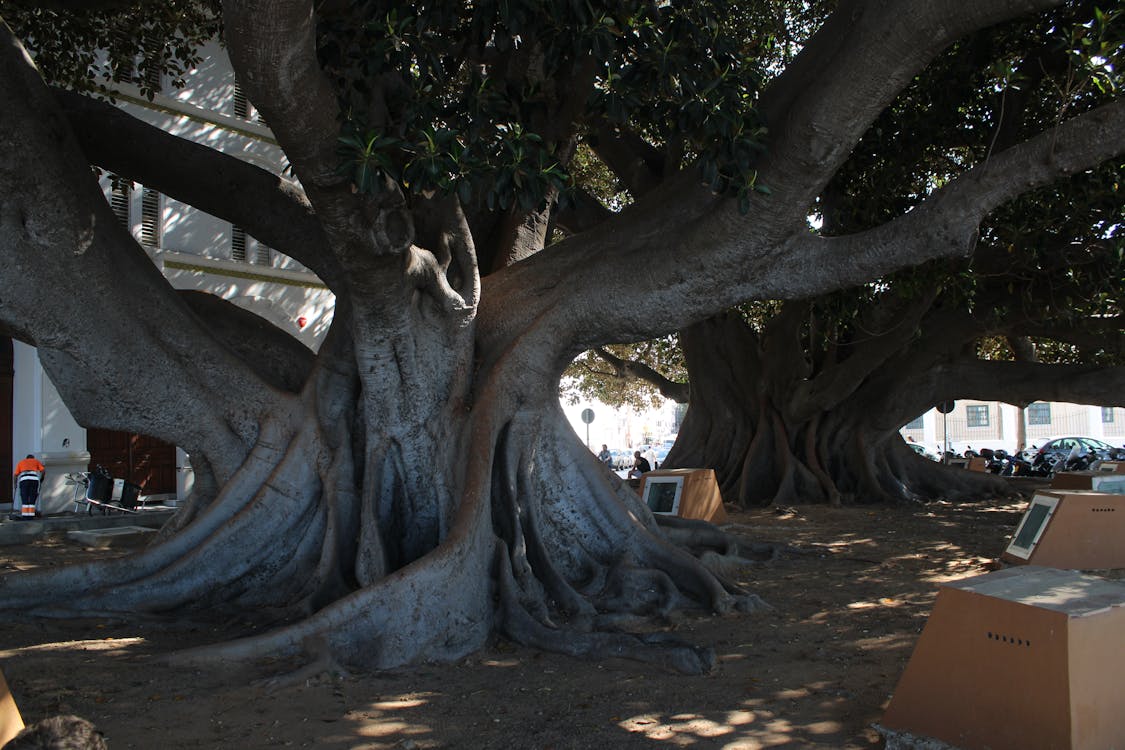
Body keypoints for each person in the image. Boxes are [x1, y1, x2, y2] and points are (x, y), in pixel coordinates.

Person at [12, 454, 45, 518]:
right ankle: (31, 516)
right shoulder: (36, 461)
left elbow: (15, 475)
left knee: (24, 497)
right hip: (34, 481)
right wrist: (41, 479)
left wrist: (15, 484)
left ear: (26, 458)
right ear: (33, 458)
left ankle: (25, 516)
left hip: (24, 480)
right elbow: (43, 471)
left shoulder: (21, 462)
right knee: (32, 497)